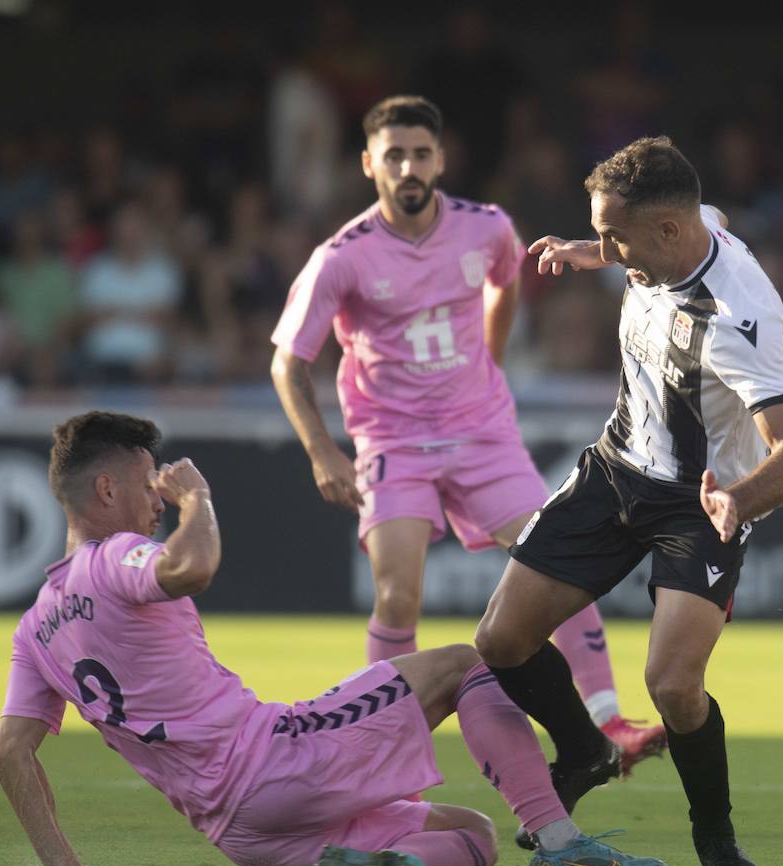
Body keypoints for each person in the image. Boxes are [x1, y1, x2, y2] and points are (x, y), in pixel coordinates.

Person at [0, 411, 667, 866]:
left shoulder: (37, 628)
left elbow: (11, 752)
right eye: (146, 486)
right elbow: (189, 568)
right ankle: (561, 844)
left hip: (242, 838)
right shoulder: (114, 558)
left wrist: (61, 862)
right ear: (105, 490)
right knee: (467, 662)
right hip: (273, 764)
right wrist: (197, 499)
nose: (156, 502)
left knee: (473, 836)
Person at [270, 95, 665, 766]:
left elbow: (507, 283)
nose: (409, 166)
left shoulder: (484, 228)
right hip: (393, 440)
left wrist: (490, 358)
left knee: (559, 561)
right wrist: (320, 451)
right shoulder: (342, 256)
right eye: (393, 155)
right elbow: (288, 362)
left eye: (421, 153)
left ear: (441, 159)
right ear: (370, 165)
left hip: (481, 432)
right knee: (397, 592)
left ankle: (610, 724)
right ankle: (386, 746)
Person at [474, 137, 783, 866]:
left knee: (672, 685)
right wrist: (588, 252)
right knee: (501, 639)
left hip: (701, 504)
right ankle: (585, 750)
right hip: (617, 468)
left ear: (666, 231)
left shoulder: (739, 316)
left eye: (613, 235)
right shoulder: (677, 229)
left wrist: (737, 500)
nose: (605, 247)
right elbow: (653, 232)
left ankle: (716, 837)